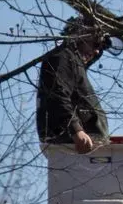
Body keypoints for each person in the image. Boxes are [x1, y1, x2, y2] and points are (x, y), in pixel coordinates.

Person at [37, 16, 110, 152]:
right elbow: (57, 94)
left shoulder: (74, 62)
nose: (97, 51)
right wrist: (76, 130)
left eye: (100, 47)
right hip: (73, 143)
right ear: (81, 35)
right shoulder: (62, 57)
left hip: (82, 144)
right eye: (95, 43)